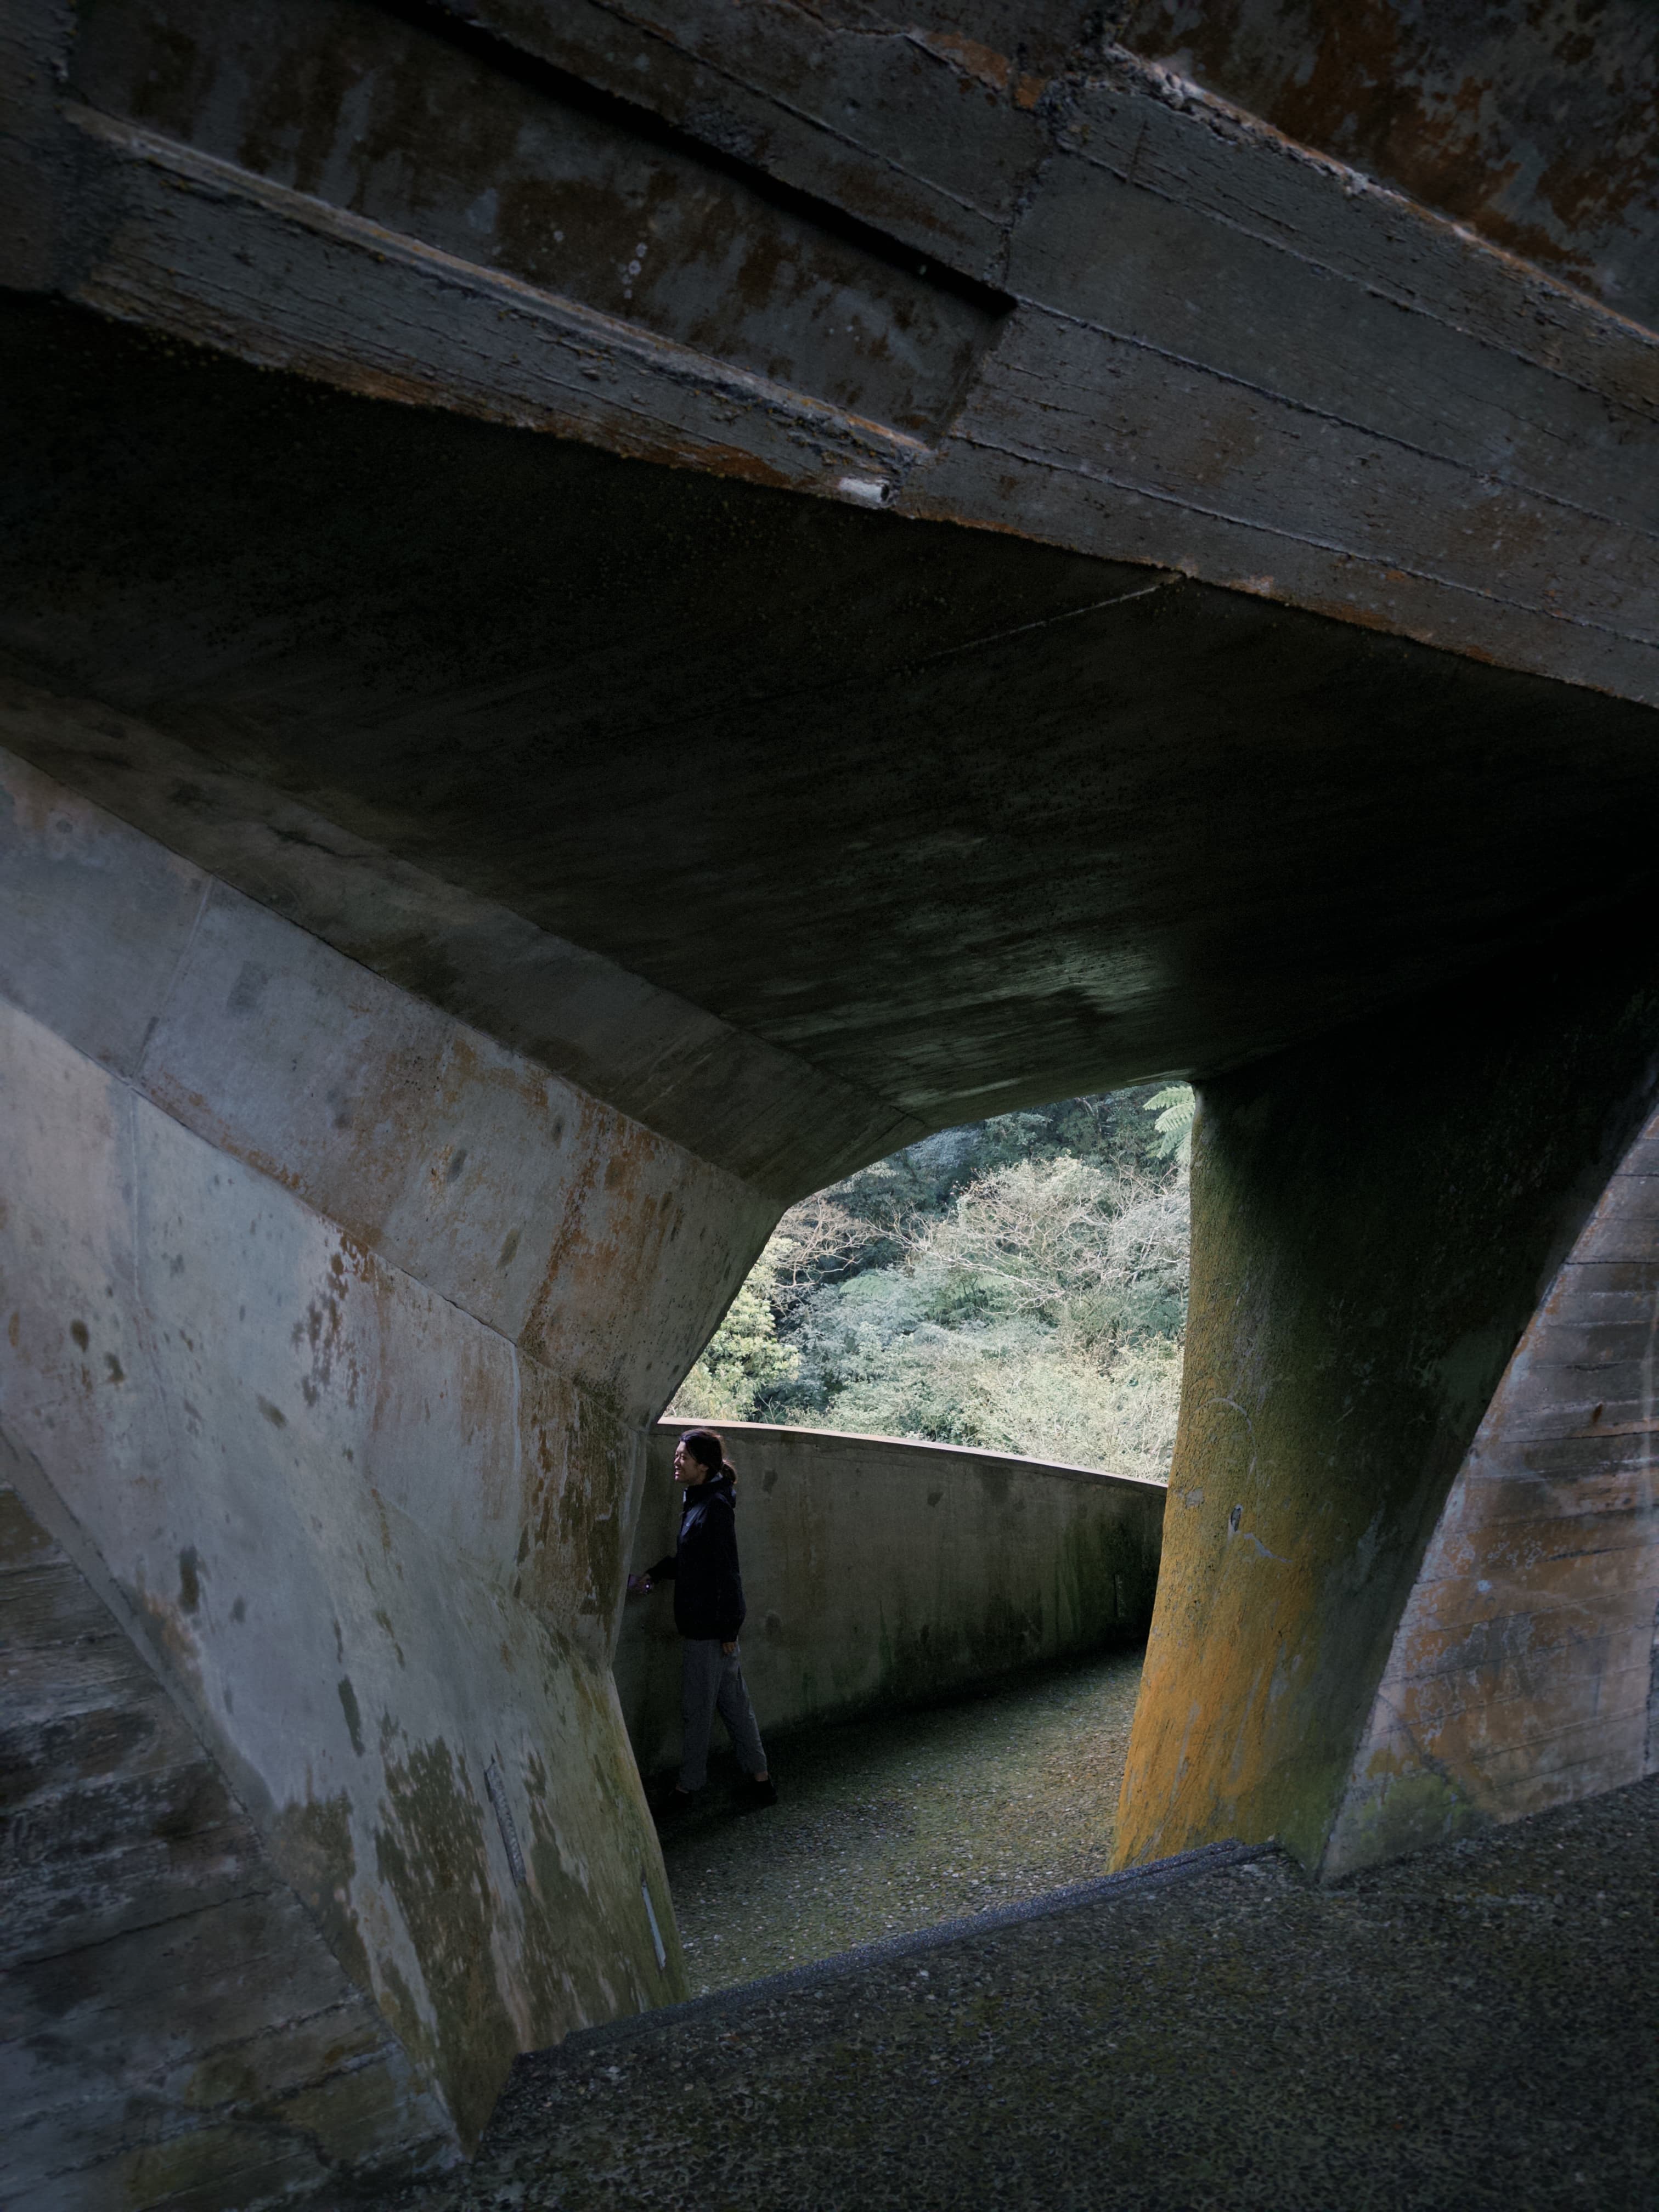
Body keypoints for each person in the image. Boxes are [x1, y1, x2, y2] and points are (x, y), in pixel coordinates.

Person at [631, 1427, 776, 1822]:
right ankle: (761, 1780)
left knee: (698, 1709)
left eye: (683, 1457)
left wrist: (728, 1629)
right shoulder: (700, 1501)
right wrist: (656, 1574)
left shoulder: (714, 1507)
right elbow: (692, 1561)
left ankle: (687, 1788)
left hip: (710, 1629)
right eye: (677, 1454)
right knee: (733, 1704)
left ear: (704, 1465)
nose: (676, 1462)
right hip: (712, 1626)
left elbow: (727, 1572)